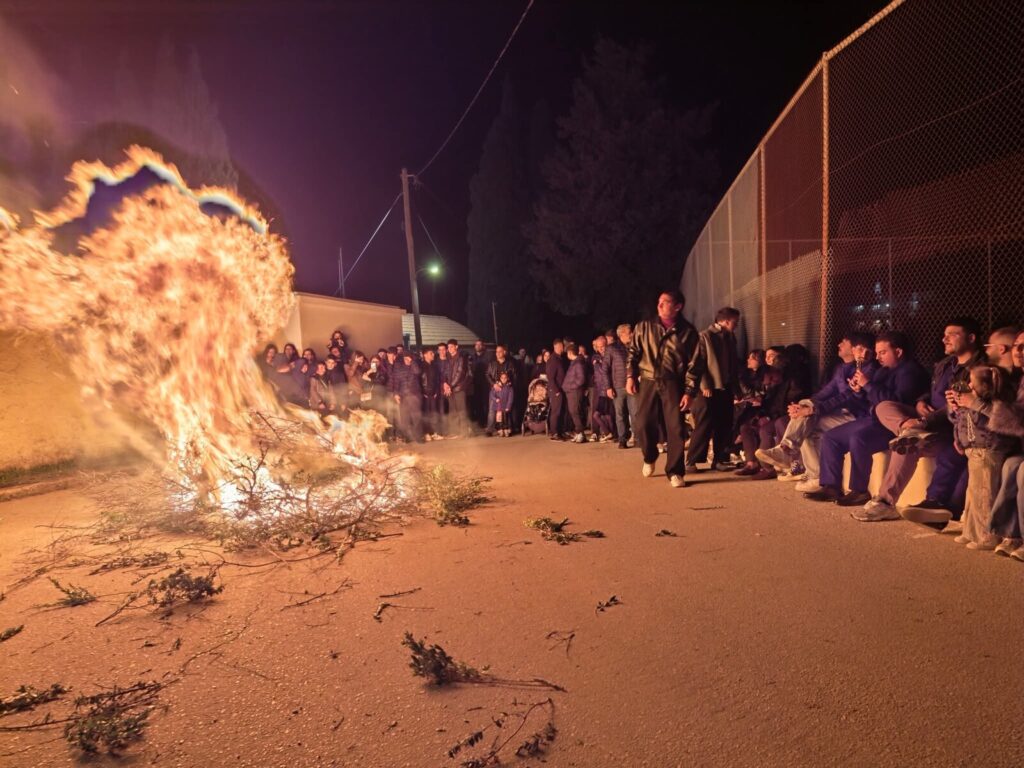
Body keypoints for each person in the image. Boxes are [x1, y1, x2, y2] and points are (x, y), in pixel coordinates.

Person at [861, 319, 985, 524]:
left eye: (952, 334)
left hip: (950, 428)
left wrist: (925, 422)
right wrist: (921, 401)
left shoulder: (980, 370)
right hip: (925, 422)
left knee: (905, 445)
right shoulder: (945, 364)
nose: (944, 338)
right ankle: (885, 504)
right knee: (885, 408)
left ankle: (888, 500)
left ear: (971, 338)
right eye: (944, 334)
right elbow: (932, 392)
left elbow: (958, 406)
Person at [806, 331, 929, 506]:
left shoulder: (910, 371)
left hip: (893, 424)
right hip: (872, 419)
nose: (878, 357)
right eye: (877, 353)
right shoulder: (883, 371)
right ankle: (831, 486)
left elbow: (896, 401)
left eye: (883, 352)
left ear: (899, 352)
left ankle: (859, 491)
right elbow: (868, 399)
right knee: (831, 437)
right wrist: (858, 391)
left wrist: (868, 385)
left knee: (859, 439)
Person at [756, 332, 876, 491]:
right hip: (843, 412)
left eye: (844, 342)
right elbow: (826, 392)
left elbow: (847, 396)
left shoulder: (868, 368)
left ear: (859, 349)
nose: (839, 345)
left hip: (858, 415)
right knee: (805, 413)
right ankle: (797, 460)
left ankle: (792, 455)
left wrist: (813, 409)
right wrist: (804, 406)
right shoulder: (842, 368)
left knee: (809, 418)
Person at [626, 289, 703, 488]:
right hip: (648, 380)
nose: (659, 305)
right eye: (659, 301)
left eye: (665, 302)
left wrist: (689, 391)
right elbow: (633, 352)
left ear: (678, 307)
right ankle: (649, 456)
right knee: (643, 423)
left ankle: (675, 471)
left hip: (673, 383)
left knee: (676, 427)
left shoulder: (688, 332)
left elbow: (695, 364)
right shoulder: (644, 326)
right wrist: (630, 376)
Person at [945, 365, 1016, 549]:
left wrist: (972, 403)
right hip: (973, 449)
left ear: (985, 386)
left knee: (984, 493)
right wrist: (955, 407)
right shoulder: (971, 401)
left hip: (987, 449)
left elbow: (995, 418)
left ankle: (988, 535)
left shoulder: (992, 402)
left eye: (972, 382)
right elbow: (960, 421)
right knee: (972, 494)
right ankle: (971, 531)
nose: (968, 385)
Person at [688, 307, 741, 470]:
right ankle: (692, 460)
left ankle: (719, 459)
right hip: (710, 387)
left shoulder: (730, 337)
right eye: (734, 322)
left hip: (725, 386)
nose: (736, 325)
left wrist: (736, 388)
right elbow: (699, 362)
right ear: (725, 321)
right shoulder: (705, 336)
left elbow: (733, 364)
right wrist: (705, 385)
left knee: (724, 422)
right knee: (705, 422)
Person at [989, 329, 1024, 560]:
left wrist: (982, 405)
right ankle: (1012, 534)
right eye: (1016, 345)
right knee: (1010, 465)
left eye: (1023, 347)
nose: (1018, 351)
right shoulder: (1018, 378)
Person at [612, 324, 638, 448]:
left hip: (633, 385)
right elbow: (605, 369)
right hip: (618, 386)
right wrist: (607, 387)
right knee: (620, 414)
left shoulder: (634, 347)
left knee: (635, 413)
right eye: (629, 332)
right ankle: (622, 439)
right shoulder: (612, 348)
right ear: (621, 334)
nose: (632, 334)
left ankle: (637, 438)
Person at [392, 350, 424, 443]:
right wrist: (396, 394)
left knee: (416, 417)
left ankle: (418, 437)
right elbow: (396, 382)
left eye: (408, 357)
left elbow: (418, 372)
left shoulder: (415, 365)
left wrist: (412, 362)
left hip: (415, 395)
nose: (406, 359)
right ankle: (407, 437)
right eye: (405, 358)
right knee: (404, 418)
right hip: (403, 396)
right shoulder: (399, 368)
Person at [443, 338, 470, 438]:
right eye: (448, 347)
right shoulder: (448, 359)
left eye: (451, 347)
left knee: (461, 411)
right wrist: (445, 384)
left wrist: (450, 386)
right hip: (450, 389)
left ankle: (464, 432)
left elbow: (460, 374)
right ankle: (454, 432)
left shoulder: (461, 359)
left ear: (456, 347)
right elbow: (445, 373)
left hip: (459, 389)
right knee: (453, 411)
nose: (449, 349)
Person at [590, 334, 615, 442]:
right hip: (601, 390)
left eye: (602, 346)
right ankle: (610, 433)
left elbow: (606, 371)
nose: (600, 349)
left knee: (599, 414)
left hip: (607, 389)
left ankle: (609, 433)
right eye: (598, 347)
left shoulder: (609, 357)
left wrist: (600, 363)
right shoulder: (596, 357)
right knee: (604, 414)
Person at [563, 343, 588, 443]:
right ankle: (578, 433)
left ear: (570, 353)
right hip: (572, 392)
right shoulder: (574, 363)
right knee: (573, 412)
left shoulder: (578, 364)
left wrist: (570, 387)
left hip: (575, 392)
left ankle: (581, 433)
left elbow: (581, 379)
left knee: (575, 412)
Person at [546, 339, 568, 439]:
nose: (562, 348)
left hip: (561, 389)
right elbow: (551, 377)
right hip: (556, 391)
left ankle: (560, 431)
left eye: (562, 346)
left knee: (562, 411)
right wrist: (556, 391)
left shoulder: (559, 358)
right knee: (556, 411)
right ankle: (554, 433)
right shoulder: (553, 360)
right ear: (556, 347)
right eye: (561, 346)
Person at [420, 347, 444, 440]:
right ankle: (426, 433)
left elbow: (437, 380)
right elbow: (419, 380)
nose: (433, 355)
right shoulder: (421, 366)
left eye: (433, 353)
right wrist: (422, 392)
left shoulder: (435, 366)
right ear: (425, 355)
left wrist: (436, 391)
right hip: (425, 394)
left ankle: (434, 432)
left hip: (434, 393)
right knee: (426, 414)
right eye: (431, 353)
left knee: (434, 413)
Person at [487, 371, 515, 437]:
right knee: (499, 419)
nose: (503, 379)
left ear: (507, 378)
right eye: (502, 378)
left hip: (505, 406)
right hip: (498, 407)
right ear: (500, 378)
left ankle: (507, 429)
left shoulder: (509, 388)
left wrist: (508, 406)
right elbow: (491, 394)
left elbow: (510, 398)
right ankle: (500, 430)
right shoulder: (497, 387)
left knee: (506, 418)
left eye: (505, 378)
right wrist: (495, 399)